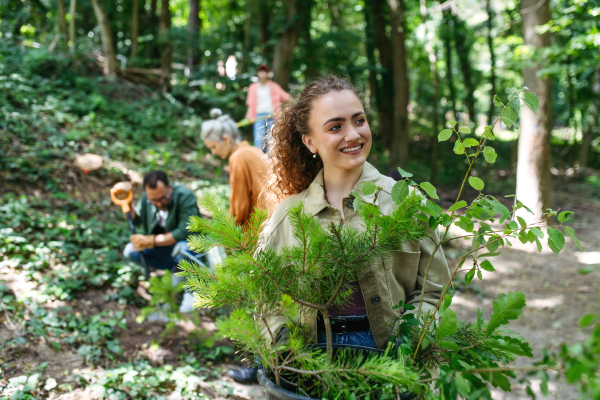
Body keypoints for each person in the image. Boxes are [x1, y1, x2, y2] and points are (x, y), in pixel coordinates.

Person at [229, 75, 452, 384]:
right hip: (311, 366)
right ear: (310, 142)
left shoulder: (406, 203)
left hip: (393, 365)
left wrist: (412, 337)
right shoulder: (288, 216)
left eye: (358, 121)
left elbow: (434, 291)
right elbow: (265, 298)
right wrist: (283, 343)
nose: (353, 134)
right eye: (335, 127)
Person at [112, 171, 201, 313]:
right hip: (164, 248)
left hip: (189, 246)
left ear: (170, 187)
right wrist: (127, 203)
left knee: (182, 247)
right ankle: (176, 271)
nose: (159, 203)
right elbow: (136, 219)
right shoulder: (147, 199)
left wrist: (151, 241)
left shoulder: (185, 196)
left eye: (163, 198)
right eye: (154, 200)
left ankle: (191, 293)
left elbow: (184, 232)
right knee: (130, 251)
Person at [202, 108, 267, 226]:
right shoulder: (254, 150)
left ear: (226, 139)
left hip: (260, 227)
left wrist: (225, 229)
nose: (213, 152)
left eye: (213, 147)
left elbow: (240, 207)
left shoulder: (237, 157)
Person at [244, 64, 290, 152]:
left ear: (267, 74)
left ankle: (270, 163)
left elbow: (286, 97)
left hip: (272, 116)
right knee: (259, 140)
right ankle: (258, 161)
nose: (262, 74)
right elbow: (250, 104)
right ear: (258, 73)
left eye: (264, 72)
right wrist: (247, 117)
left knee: (271, 141)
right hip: (258, 117)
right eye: (261, 72)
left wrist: (286, 109)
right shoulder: (253, 87)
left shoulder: (273, 86)